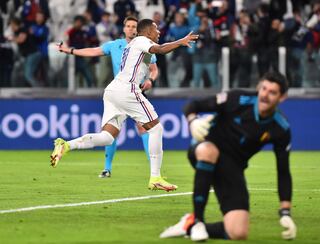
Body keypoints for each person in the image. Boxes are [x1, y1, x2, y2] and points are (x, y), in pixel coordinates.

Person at [51, 18, 199, 192]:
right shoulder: (143, 41)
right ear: (148, 31)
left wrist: (151, 77)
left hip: (113, 90)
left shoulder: (131, 45)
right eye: (156, 29)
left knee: (107, 137)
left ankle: (66, 145)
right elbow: (160, 49)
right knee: (156, 129)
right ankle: (155, 177)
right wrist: (181, 41)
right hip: (128, 90)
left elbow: (152, 64)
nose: (158, 32)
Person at [160, 72, 297, 241]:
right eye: (264, 89)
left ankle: (188, 225)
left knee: (238, 232)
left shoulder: (280, 128)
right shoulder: (237, 98)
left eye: (272, 92)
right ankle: (198, 220)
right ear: (258, 88)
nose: (265, 95)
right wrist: (192, 121)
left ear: (282, 98)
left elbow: (283, 170)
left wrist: (285, 212)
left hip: (232, 167)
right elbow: (193, 105)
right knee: (209, 150)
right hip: (205, 148)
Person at [58, 16, 158, 179]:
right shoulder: (115, 45)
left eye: (134, 26)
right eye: (129, 26)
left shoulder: (145, 45)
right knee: (113, 133)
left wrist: (150, 80)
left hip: (136, 91)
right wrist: (70, 50)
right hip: (119, 92)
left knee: (144, 128)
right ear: (124, 29)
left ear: (138, 30)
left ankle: (153, 170)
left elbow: (154, 69)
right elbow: (93, 51)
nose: (132, 29)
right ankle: (107, 168)